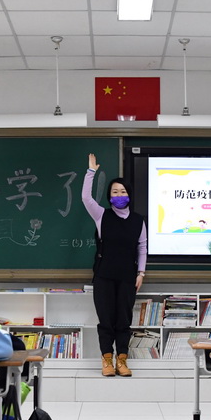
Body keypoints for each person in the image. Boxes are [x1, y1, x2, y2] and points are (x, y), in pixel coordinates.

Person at [83, 153, 146, 377]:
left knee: (123, 320)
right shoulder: (101, 215)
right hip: (104, 275)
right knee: (106, 320)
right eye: (114, 192)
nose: (119, 195)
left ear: (129, 194)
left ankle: (122, 360)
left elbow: (142, 247)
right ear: (109, 196)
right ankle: (106, 361)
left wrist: (141, 273)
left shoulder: (138, 220)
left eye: (123, 191)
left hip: (128, 276)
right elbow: (86, 199)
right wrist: (91, 172)